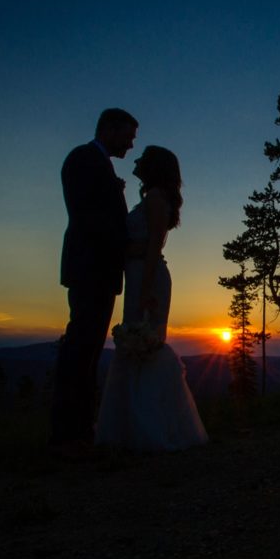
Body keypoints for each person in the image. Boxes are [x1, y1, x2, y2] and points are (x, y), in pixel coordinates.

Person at [95, 145, 208, 452]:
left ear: (154, 166)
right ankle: (132, 425)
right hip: (139, 276)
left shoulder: (157, 198)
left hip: (148, 278)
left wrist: (145, 291)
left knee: (144, 343)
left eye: (143, 158)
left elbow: (154, 244)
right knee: (137, 344)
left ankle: (151, 427)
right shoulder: (151, 197)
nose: (137, 160)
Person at [50, 108, 138, 459]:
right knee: (79, 349)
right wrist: (125, 246)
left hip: (99, 269)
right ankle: (65, 434)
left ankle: (80, 430)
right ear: (109, 128)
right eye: (128, 136)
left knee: (87, 351)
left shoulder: (98, 164)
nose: (131, 145)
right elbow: (89, 218)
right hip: (90, 267)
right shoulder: (83, 159)